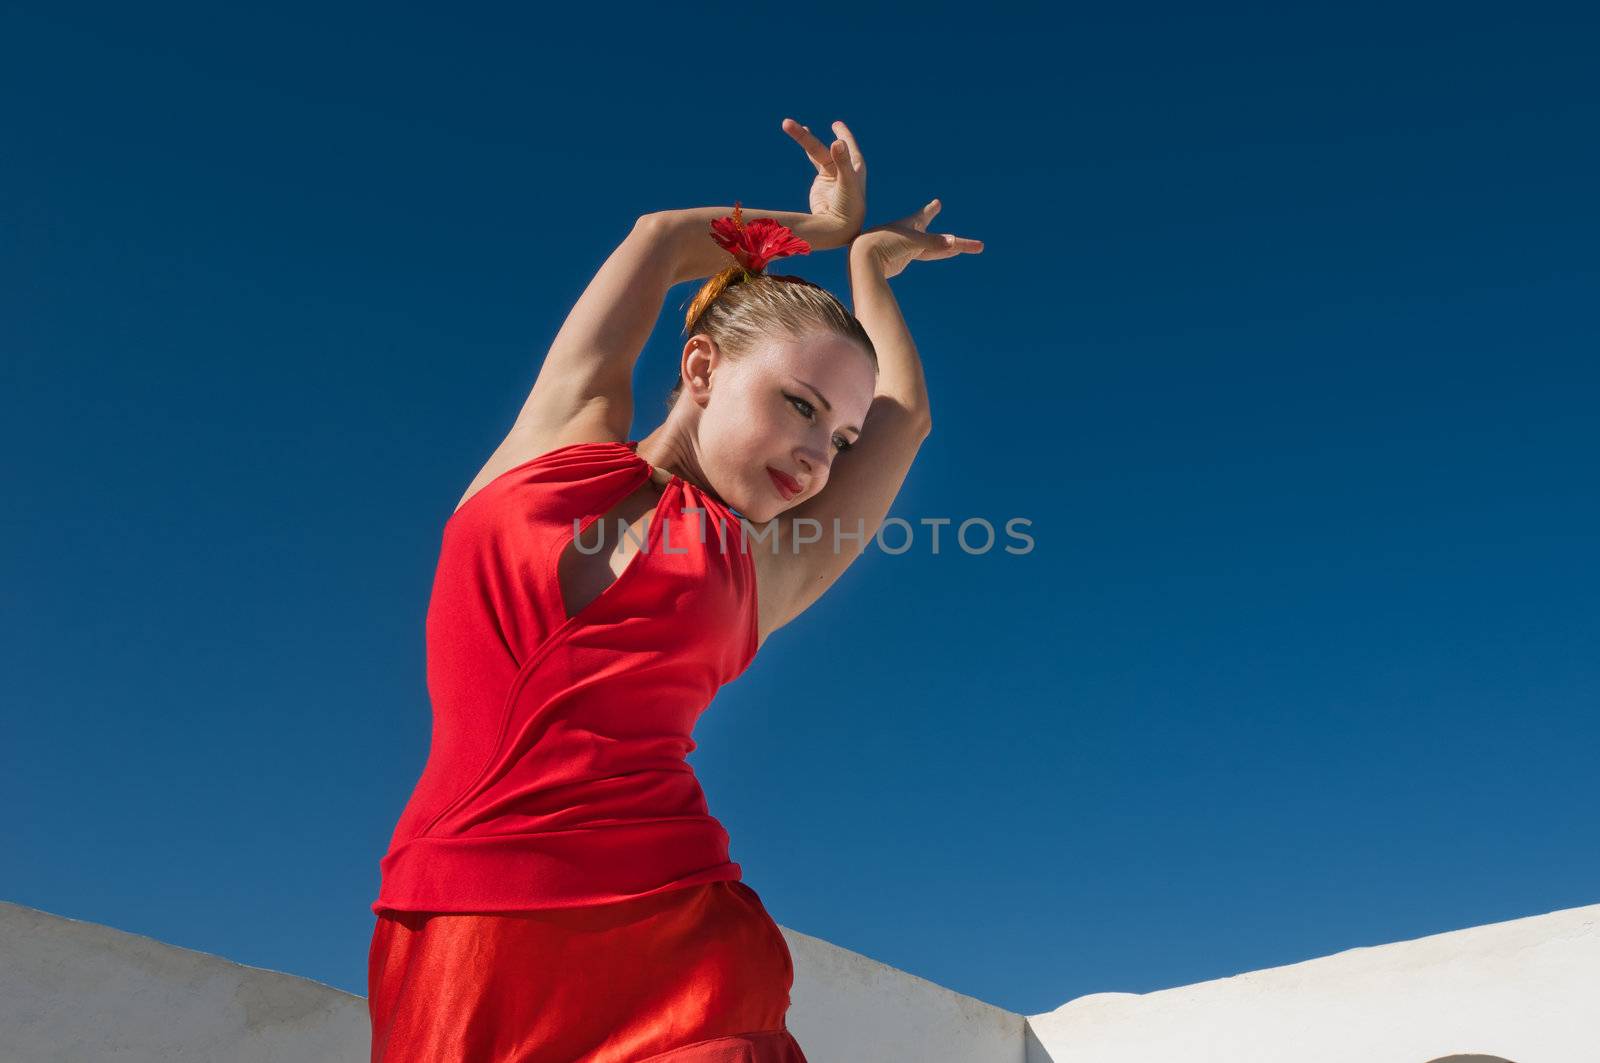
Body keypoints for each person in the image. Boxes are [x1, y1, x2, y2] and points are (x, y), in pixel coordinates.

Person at [367, 117, 983, 1062]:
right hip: (453, 930)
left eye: (838, 442)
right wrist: (814, 233)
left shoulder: (760, 570)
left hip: (680, 950)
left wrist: (870, 265)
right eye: (802, 407)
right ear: (701, 369)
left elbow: (909, 419)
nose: (820, 458)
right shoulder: (550, 446)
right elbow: (657, 241)